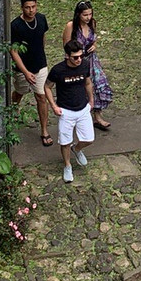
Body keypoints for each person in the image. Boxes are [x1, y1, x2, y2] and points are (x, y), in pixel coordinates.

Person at [46, 40, 95, 183]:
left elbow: (87, 82)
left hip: (83, 107)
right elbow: (47, 87)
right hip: (66, 110)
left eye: (81, 56)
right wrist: (54, 106)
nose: (79, 59)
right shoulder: (58, 70)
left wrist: (91, 100)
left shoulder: (84, 65)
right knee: (65, 142)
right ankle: (67, 165)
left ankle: (77, 149)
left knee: (89, 139)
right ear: (67, 56)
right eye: (75, 57)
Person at [62, 0, 114, 130]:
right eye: (85, 15)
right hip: (78, 61)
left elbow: (93, 39)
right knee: (80, 88)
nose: (88, 17)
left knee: (98, 84)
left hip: (91, 60)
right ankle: (79, 117)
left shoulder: (92, 23)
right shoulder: (71, 26)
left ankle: (97, 116)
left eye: (90, 14)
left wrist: (94, 45)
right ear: (78, 14)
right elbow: (66, 46)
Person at [10, 0, 52, 147]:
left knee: (41, 97)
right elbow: (13, 51)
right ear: (22, 8)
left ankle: (44, 130)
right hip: (22, 69)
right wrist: (25, 72)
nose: (31, 10)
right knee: (20, 92)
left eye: (33, 7)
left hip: (40, 65)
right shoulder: (15, 25)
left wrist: (41, 54)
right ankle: (13, 109)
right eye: (27, 7)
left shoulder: (41, 19)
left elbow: (42, 38)